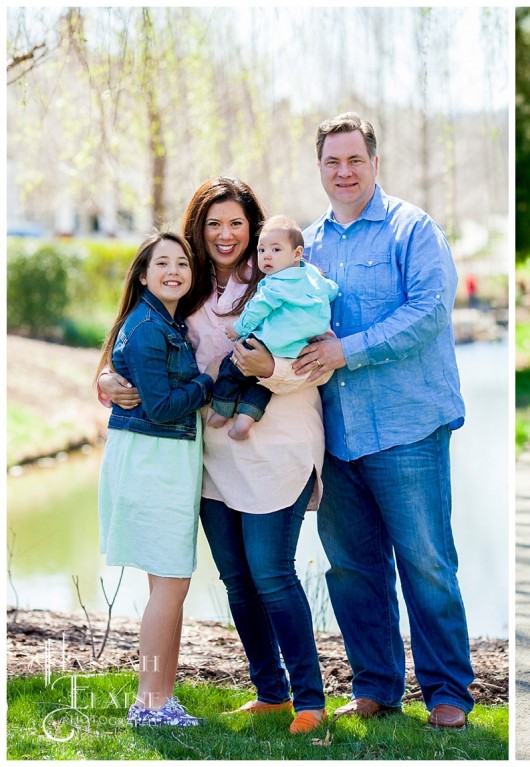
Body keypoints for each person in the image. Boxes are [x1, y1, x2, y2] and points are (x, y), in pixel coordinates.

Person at [98, 177, 329, 735]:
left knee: (272, 573)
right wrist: (106, 376)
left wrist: (263, 370)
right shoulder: (187, 287)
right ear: (198, 231)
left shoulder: (282, 279)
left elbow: (313, 361)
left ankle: (310, 701)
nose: (226, 235)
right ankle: (269, 692)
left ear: (254, 228)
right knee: (236, 579)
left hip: (277, 445)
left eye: (236, 223)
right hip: (207, 456)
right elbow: (137, 342)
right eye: (213, 224)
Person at [278, 112, 475, 730]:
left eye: (354, 160)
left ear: (374, 163)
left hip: (407, 426)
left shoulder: (411, 230)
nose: (343, 171)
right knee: (353, 568)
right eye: (332, 162)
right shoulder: (306, 246)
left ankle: (447, 692)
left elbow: (429, 312)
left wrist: (347, 349)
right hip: (334, 436)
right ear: (319, 168)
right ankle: (377, 686)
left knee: (427, 563)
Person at [95, 232, 222, 727]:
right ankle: (148, 705)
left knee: (170, 586)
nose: (174, 270)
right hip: (151, 463)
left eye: (182, 263)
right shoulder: (148, 327)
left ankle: (161, 699)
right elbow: (163, 405)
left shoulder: (162, 323)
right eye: (162, 263)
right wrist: (208, 381)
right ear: (143, 274)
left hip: (166, 461)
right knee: (170, 585)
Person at [210, 215, 338, 440]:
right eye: (261, 250)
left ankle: (221, 409)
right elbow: (332, 289)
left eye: (276, 250)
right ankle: (244, 422)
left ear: (297, 254)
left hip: (268, 341)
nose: (266, 256)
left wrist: (239, 328)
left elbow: (257, 309)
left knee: (231, 369)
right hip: (295, 348)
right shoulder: (311, 276)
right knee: (262, 385)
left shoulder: (275, 284)